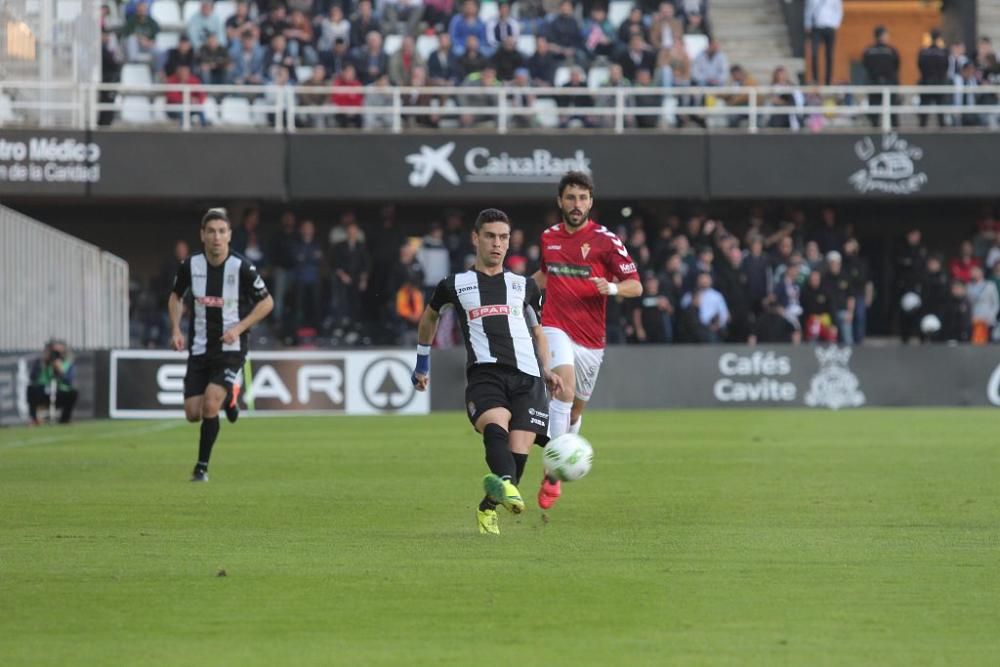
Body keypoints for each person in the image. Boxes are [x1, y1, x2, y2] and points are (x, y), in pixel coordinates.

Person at [411, 208, 562, 535]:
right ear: (476, 238)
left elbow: (538, 332)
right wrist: (423, 362)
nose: (497, 244)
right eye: (491, 236)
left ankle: (487, 507)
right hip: (485, 374)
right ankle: (504, 482)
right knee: (496, 429)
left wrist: (547, 369)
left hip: (529, 378)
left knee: (518, 457)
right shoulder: (453, 285)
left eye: (504, 237)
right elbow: (429, 319)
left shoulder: (524, 286)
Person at [532, 171, 642, 510]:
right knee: (561, 389)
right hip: (555, 326)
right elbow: (545, 275)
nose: (576, 204)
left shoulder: (606, 241)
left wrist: (611, 288)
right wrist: (516, 289)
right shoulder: (548, 237)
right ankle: (553, 470)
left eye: (582, 198)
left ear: (590, 202)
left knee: (576, 409)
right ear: (560, 201)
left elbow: (636, 285)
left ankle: (560, 456)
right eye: (570, 198)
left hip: (591, 339)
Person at [168, 209, 274, 482]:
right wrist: (176, 329)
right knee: (193, 413)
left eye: (222, 231)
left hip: (231, 348)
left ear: (229, 236)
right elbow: (176, 296)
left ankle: (201, 468)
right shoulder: (189, 265)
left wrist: (238, 328)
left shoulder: (243, 267)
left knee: (210, 406)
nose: (217, 237)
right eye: (211, 231)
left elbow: (267, 302)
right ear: (202, 235)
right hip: (200, 348)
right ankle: (231, 397)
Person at [26, 340, 78, 425]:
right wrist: (44, 364)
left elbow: (69, 381)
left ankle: (65, 419)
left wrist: (60, 370)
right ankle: (34, 419)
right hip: (43, 391)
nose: (55, 355)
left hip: (59, 392)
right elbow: (33, 377)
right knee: (31, 389)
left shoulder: (67, 363)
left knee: (73, 393)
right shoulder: (40, 362)